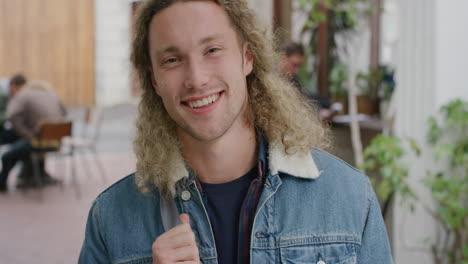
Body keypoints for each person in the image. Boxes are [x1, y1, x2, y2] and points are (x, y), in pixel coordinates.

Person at [79, 1, 393, 263]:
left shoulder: (349, 196)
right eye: (172, 60)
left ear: (247, 58)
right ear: (154, 82)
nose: (197, 78)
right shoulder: (111, 217)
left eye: (212, 49)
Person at [0, 80, 67, 192]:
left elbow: (11, 115)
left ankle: (2, 184)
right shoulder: (52, 94)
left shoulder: (25, 95)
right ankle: (29, 176)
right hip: (56, 142)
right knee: (20, 147)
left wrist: (26, 133)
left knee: (7, 155)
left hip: (39, 142)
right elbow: (64, 112)